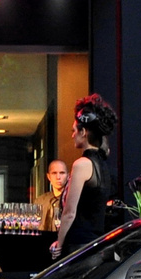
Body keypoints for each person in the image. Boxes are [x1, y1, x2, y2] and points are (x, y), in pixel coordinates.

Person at [52, 94, 118, 259]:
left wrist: (59, 245)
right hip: (97, 244)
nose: (73, 135)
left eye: (74, 130)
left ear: (84, 132)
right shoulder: (104, 166)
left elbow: (69, 213)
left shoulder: (81, 164)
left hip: (78, 246)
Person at [36, 160, 69, 232]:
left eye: (62, 173)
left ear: (67, 176)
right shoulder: (40, 201)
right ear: (48, 176)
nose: (58, 177)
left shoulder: (71, 200)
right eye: (54, 173)